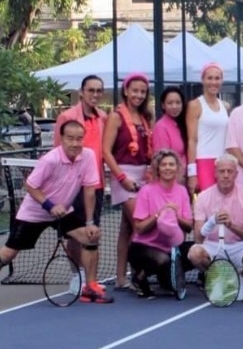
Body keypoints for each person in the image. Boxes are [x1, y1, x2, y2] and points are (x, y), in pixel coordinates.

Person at [0, 120, 111, 303]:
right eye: (70, 139)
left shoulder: (89, 156)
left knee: (91, 236)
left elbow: (90, 190)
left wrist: (90, 222)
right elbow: (31, 186)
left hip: (64, 210)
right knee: (8, 254)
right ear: (61, 139)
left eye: (79, 139)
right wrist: (50, 205)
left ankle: (90, 287)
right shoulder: (50, 160)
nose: (75, 143)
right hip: (34, 213)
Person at [53, 75, 107, 281]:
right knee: (75, 235)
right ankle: (77, 276)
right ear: (81, 92)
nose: (95, 94)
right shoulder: (66, 117)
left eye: (98, 91)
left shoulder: (103, 117)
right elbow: (57, 152)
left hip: (96, 185)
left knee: (93, 232)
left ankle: (91, 281)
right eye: (91, 90)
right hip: (72, 186)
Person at [187, 154, 243, 302]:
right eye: (222, 171)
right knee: (195, 254)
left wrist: (231, 226)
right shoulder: (202, 197)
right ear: (215, 174)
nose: (226, 175)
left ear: (236, 174)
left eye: (229, 171)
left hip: (239, 246)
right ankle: (218, 278)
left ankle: (240, 280)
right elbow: (198, 238)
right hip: (213, 246)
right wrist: (212, 222)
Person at [102, 72, 152, 291]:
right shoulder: (116, 116)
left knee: (126, 228)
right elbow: (105, 151)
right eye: (135, 90)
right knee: (141, 226)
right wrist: (121, 178)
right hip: (123, 174)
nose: (138, 95)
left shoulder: (145, 117)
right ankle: (140, 273)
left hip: (143, 174)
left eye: (142, 91)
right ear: (126, 90)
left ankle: (121, 277)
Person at [128, 149, 194, 299]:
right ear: (157, 168)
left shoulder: (182, 191)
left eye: (171, 164)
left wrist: (175, 216)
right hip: (144, 247)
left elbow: (189, 227)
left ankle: (166, 279)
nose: (168, 168)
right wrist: (159, 214)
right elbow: (139, 228)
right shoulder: (146, 191)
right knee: (162, 259)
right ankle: (139, 277)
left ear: (177, 167)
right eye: (164, 165)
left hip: (172, 248)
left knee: (196, 251)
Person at [186, 62, 230, 194]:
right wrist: (192, 173)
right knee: (208, 203)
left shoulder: (225, 106)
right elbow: (191, 140)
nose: (213, 82)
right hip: (203, 161)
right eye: (209, 78)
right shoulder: (195, 105)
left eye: (217, 78)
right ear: (203, 80)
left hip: (223, 161)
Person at [151, 86, 188, 168]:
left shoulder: (182, 123)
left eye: (178, 103)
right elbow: (162, 159)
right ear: (163, 105)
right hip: (170, 176)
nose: (174, 106)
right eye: (170, 103)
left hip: (184, 174)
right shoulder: (161, 127)